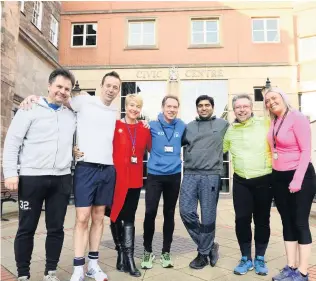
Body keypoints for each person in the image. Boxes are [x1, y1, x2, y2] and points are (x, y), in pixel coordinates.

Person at [20, 71, 122, 281]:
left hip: (107, 169)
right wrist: (35, 98)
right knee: (82, 218)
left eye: (116, 87)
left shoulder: (114, 111)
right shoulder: (84, 101)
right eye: (109, 85)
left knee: (98, 218)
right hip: (86, 168)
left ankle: (93, 265)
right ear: (101, 86)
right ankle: (78, 267)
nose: (111, 90)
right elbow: (58, 98)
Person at [3, 68, 76, 281]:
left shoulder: (71, 114)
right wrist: (10, 173)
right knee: (26, 228)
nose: (62, 92)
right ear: (49, 86)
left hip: (61, 179)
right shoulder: (30, 108)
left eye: (67, 89)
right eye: (59, 87)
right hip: (31, 178)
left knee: (56, 228)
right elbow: (12, 142)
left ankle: (50, 272)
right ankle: (23, 274)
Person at [74, 94, 151, 277]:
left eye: (138, 106)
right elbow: (96, 139)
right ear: (126, 106)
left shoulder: (144, 128)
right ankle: (120, 254)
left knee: (129, 217)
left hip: (134, 180)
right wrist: (76, 148)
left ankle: (129, 258)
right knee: (115, 215)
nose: (134, 109)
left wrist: (149, 124)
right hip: (116, 178)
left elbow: (152, 147)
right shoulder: (115, 125)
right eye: (132, 105)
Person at [264, 88, 316, 281]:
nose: (270, 102)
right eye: (267, 101)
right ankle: (291, 266)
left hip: (300, 175)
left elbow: (305, 150)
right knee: (286, 222)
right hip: (279, 176)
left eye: (274, 98)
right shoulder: (274, 121)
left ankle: (302, 272)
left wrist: (297, 179)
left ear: (284, 98)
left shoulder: (297, 117)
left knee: (300, 222)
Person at [223, 94, 273, 276]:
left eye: (245, 106)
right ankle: (245, 258)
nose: (242, 109)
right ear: (233, 110)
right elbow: (220, 149)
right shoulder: (230, 130)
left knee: (262, 221)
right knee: (242, 220)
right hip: (241, 181)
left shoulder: (265, 124)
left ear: (251, 108)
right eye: (238, 107)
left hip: (264, 180)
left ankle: (260, 258)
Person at [179, 95, 228, 269]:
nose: (204, 108)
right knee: (185, 211)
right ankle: (209, 246)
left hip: (211, 175)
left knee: (208, 217)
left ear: (213, 107)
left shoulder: (223, 125)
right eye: (200, 105)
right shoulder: (189, 127)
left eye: (207, 105)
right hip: (191, 174)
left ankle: (202, 254)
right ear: (197, 108)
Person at [140, 95, 186, 269]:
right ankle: (147, 251)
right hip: (154, 175)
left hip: (174, 175)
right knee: (150, 212)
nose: (172, 110)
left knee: (169, 213)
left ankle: (166, 251)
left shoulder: (182, 126)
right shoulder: (151, 125)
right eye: (169, 106)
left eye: (175, 107)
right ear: (162, 107)